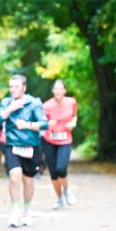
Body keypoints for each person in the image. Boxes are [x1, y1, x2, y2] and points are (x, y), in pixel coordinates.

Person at [0, 74, 48, 228]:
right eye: (11, 86)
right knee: (14, 175)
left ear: (24, 88)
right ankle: (15, 210)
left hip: (31, 146)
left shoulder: (34, 103)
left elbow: (45, 124)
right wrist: (10, 109)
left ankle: (26, 211)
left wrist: (28, 125)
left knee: (28, 181)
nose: (13, 89)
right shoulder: (6, 102)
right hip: (12, 145)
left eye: (16, 86)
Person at [42, 79, 78, 208]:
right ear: (53, 91)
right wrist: (47, 124)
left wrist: (73, 123)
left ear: (64, 90)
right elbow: (41, 123)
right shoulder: (46, 105)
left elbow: (74, 116)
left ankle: (67, 190)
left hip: (65, 140)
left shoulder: (71, 102)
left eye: (60, 88)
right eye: (55, 89)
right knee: (53, 172)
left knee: (61, 168)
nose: (58, 91)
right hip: (49, 140)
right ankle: (59, 198)